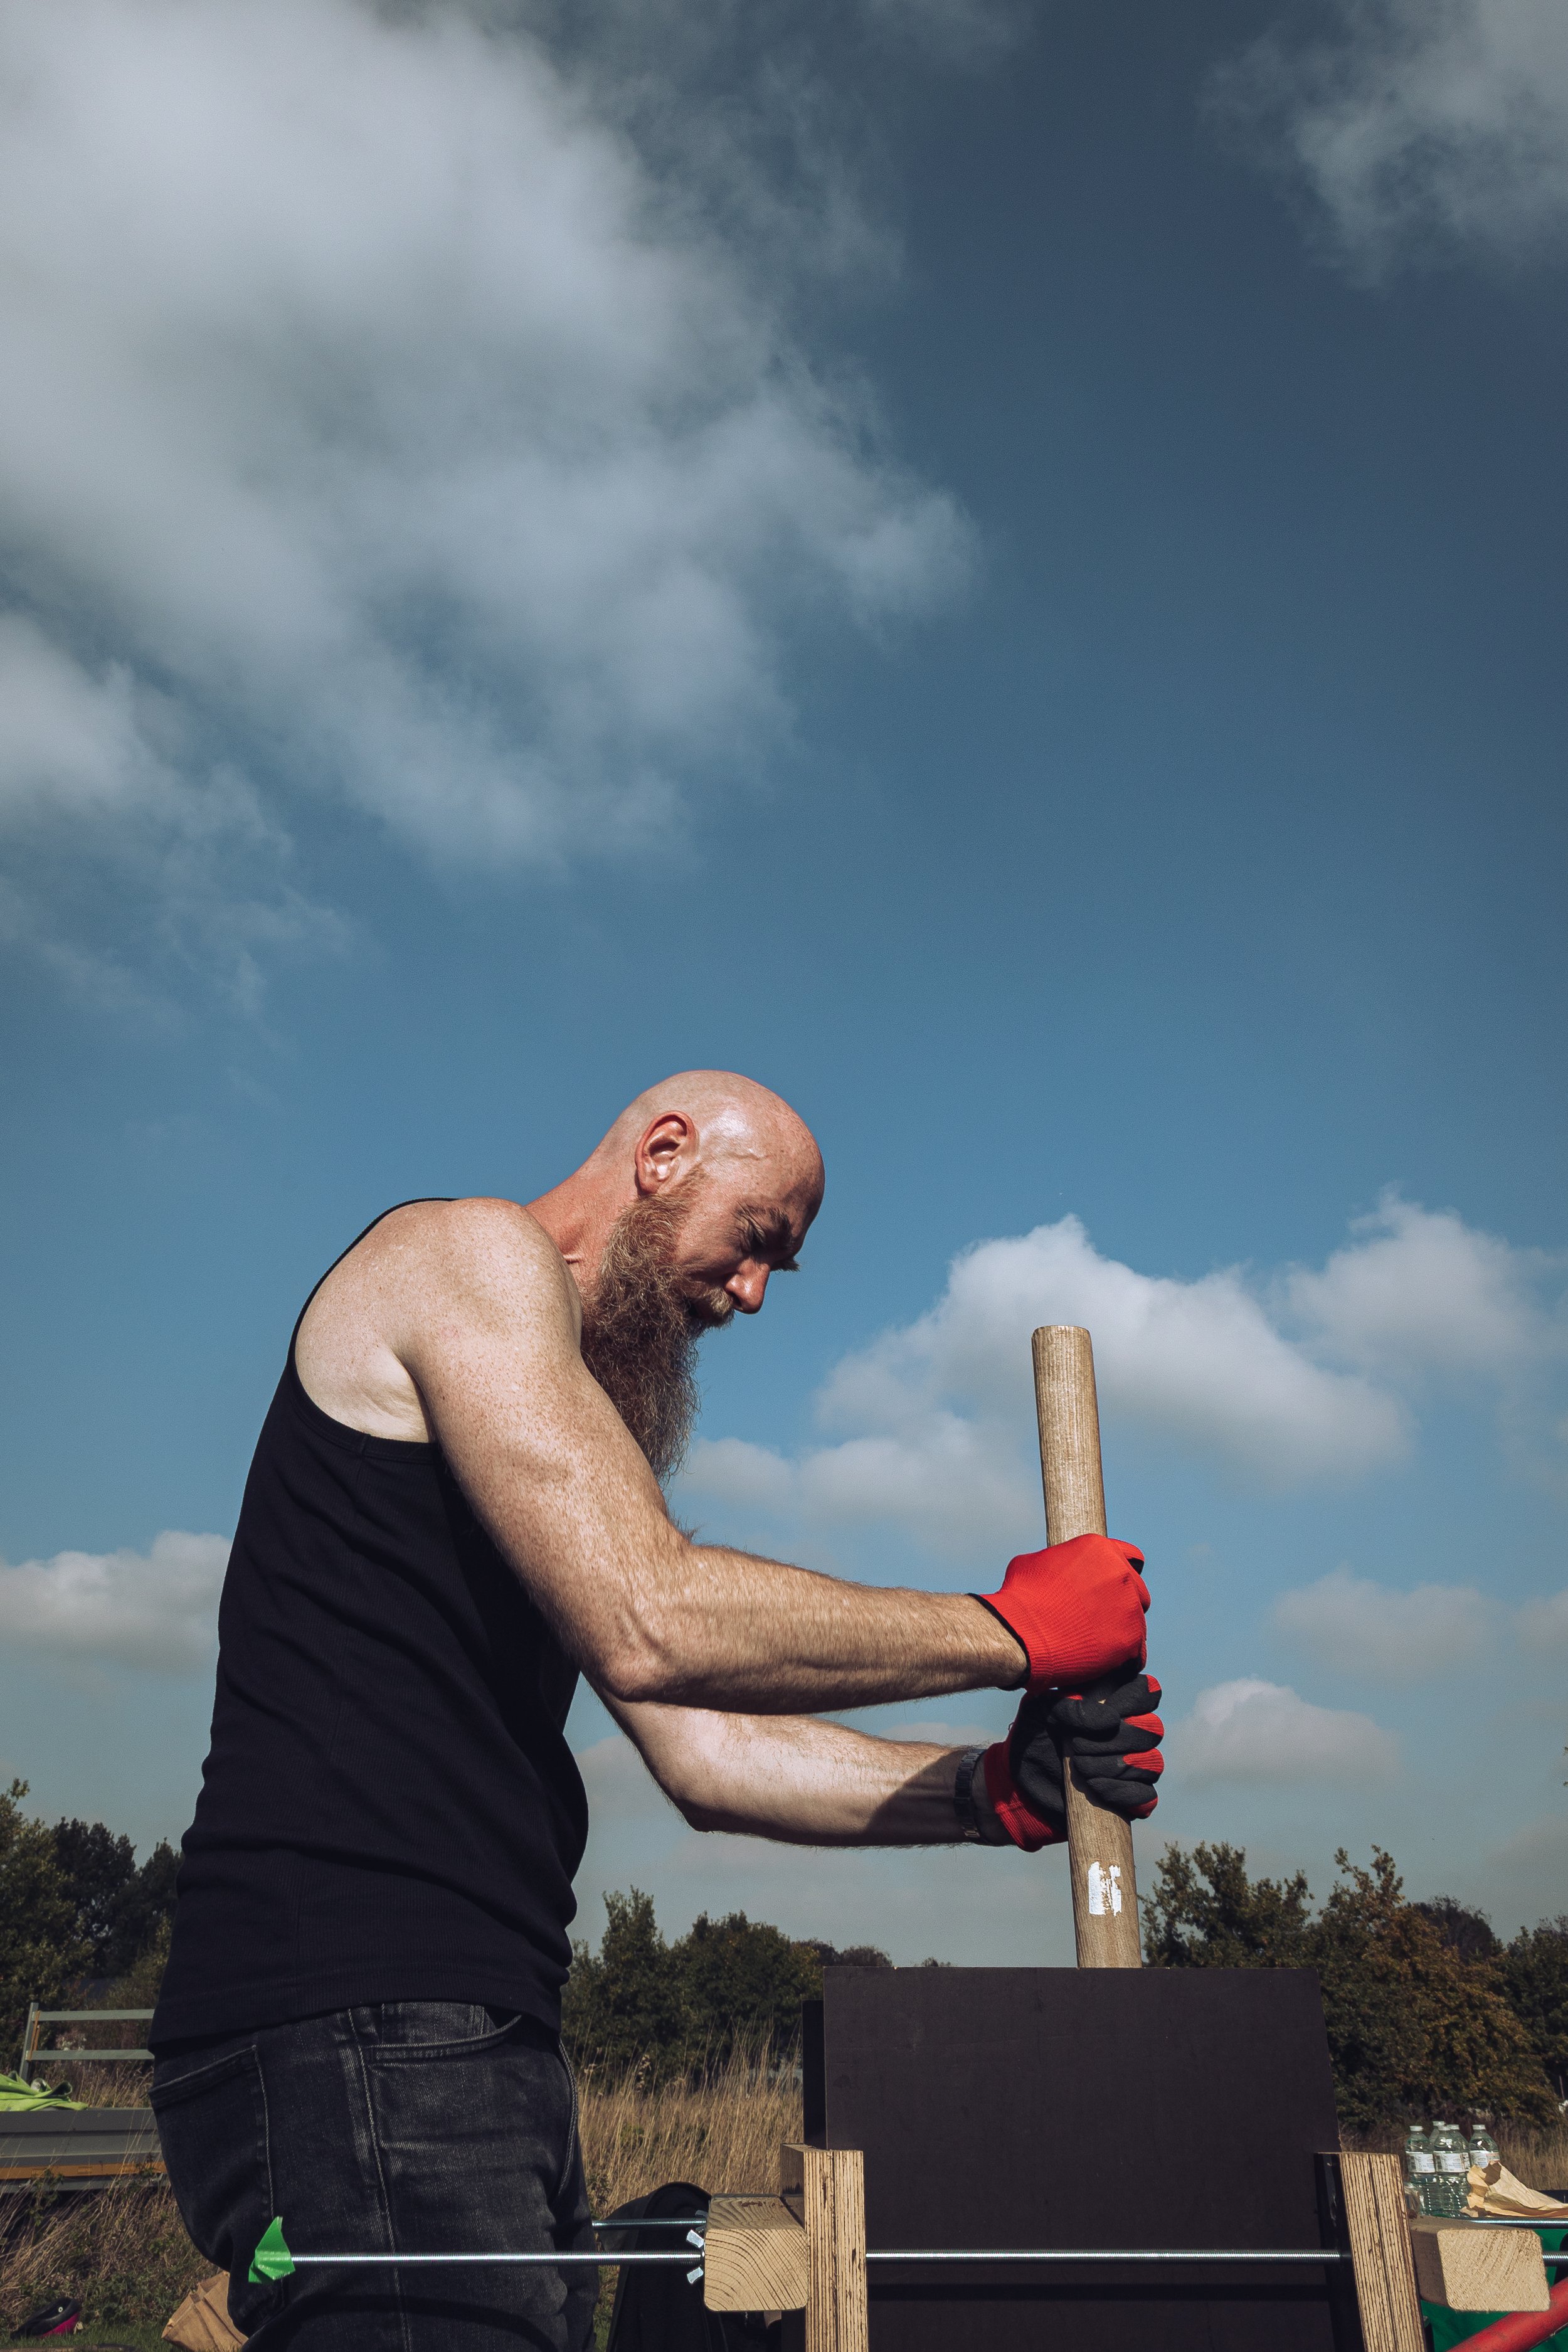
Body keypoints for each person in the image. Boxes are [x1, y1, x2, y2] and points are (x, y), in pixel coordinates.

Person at [150, 1071, 1163, 2350]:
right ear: (665, 1152)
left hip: (474, 2021)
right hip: (352, 2002)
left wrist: (988, 1792)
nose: (753, 1293)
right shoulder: (462, 1254)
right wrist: (1011, 1629)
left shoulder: (557, 1419)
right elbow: (653, 1616)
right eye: (756, 1240)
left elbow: (703, 1750)